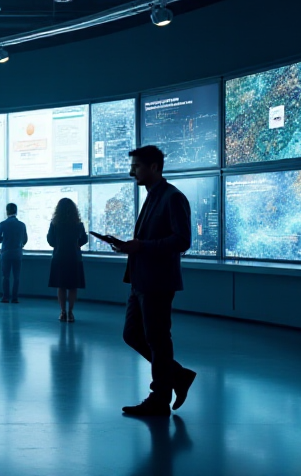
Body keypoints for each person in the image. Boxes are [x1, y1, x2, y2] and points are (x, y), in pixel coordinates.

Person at [111, 145, 196, 417]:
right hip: (141, 280)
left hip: (158, 281)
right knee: (133, 334)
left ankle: (160, 397)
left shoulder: (172, 198)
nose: (131, 171)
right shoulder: (152, 197)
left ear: (155, 168)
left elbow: (182, 241)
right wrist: (131, 247)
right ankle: (178, 376)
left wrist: (141, 247)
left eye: (136, 166)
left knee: (158, 339)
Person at [46, 198, 88, 322]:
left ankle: (62, 312)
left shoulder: (55, 224)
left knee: (61, 286)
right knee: (73, 286)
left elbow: (50, 240)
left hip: (59, 257)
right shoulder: (78, 224)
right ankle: (71, 313)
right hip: (74, 257)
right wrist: (77, 244)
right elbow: (84, 239)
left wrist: (58, 245)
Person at [0, 203, 28, 304]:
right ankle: (15, 298)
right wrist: (20, 246)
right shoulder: (22, 225)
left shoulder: (3, 224)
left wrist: (4, 239)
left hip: (6, 253)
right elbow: (25, 239)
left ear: (7, 211)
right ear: (16, 211)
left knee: (5, 276)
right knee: (16, 277)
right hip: (17, 253)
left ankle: (5, 297)